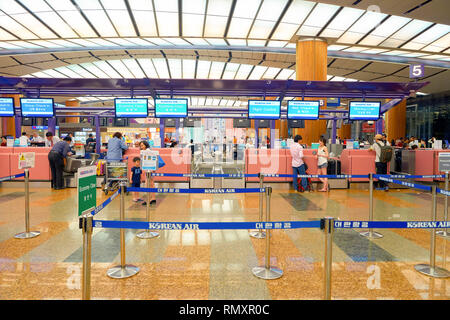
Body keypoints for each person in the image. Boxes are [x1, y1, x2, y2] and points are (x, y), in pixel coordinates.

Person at [139, 140, 156, 206]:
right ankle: (153, 198)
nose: (141, 147)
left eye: (142, 145)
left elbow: (146, 161)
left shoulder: (146, 151)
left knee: (147, 185)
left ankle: (148, 200)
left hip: (149, 170)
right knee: (151, 184)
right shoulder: (149, 150)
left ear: (146, 145)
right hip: (151, 169)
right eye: (140, 145)